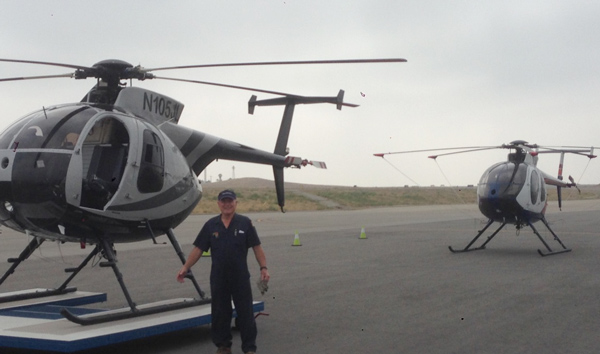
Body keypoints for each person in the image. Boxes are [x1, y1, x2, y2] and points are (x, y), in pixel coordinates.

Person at [177, 189, 270, 354]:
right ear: (219, 204)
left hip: (240, 277)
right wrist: (185, 267)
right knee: (220, 313)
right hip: (219, 278)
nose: (227, 204)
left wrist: (263, 268)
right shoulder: (211, 225)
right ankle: (224, 346)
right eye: (224, 201)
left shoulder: (245, 223)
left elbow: (257, 247)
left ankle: (249, 349)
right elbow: (199, 248)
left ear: (236, 203)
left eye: (230, 201)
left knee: (246, 313)